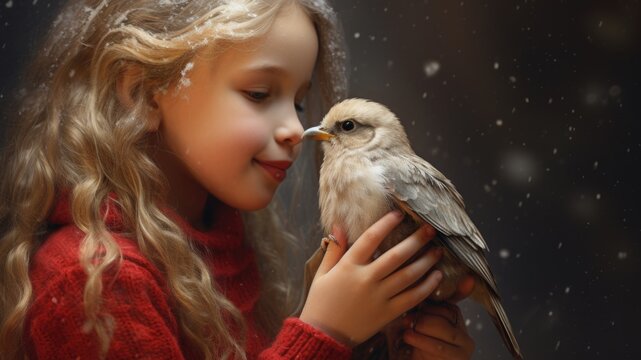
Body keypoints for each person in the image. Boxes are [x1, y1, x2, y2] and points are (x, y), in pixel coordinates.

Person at [0, 0, 475, 359]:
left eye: (300, 102)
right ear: (144, 92)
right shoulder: (93, 279)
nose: (295, 128)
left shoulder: (221, 251)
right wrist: (322, 335)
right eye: (259, 92)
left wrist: (384, 346)